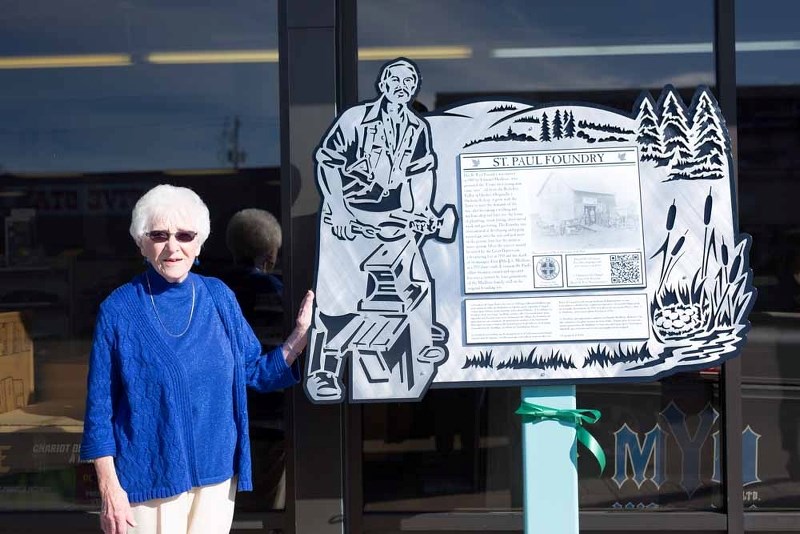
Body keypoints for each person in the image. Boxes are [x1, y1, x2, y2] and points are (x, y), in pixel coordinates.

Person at [80, 184, 313, 534]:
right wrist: (109, 488)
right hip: (151, 478)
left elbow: (255, 372)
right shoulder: (118, 310)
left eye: (185, 235)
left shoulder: (218, 297)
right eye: (159, 235)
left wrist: (299, 336)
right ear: (141, 242)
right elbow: (99, 410)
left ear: (200, 242)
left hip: (217, 477)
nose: (173, 246)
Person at [305, 58, 449, 403]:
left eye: (409, 81)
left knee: (416, 279)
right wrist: (338, 208)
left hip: (392, 216)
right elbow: (328, 163)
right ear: (383, 84)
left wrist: (421, 211)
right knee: (338, 297)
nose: (403, 86)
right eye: (396, 80)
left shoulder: (416, 127)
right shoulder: (355, 119)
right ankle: (324, 370)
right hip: (348, 217)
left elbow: (420, 174)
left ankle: (424, 341)